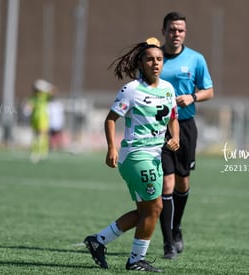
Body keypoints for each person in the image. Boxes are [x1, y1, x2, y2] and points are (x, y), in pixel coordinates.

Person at [83, 37, 180, 272]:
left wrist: (174, 137)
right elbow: (110, 119)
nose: (155, 63)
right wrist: (111, 148)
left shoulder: (168, 88)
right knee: (155, 207)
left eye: (159, 59)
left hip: (155, 155)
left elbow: (173, 117)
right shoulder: (131, 90)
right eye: (150, 59)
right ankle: (136, 260)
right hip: (136, 154)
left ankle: (98, 241)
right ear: (141, 62)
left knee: (143, 212)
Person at [159, 12, 214, 259]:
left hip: (186, 126)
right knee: (166, 184)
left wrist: (192, 97)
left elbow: (209, 91)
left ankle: (176, 226)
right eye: (172, 29)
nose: (176, 34)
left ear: (185, 33)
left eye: (180, 30)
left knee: (182, 182)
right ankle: (168, 242)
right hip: (159, 128)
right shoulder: (154, 58)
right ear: (164, 31)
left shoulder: (196, 59)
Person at [25, 79, 56, 163]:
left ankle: (42, 151)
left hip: (43, 118)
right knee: (35, 136)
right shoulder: (33, 97)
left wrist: (46, 85)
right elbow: (29, 106)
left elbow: (53, 91)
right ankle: (35, 151)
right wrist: (28, 108)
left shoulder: (44, 96)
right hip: (34, 119)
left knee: (42, 136)